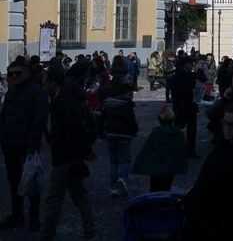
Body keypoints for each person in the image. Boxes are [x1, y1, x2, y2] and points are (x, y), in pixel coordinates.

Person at [183, 103, 233, 240]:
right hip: (211, 217)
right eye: (225, 123)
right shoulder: (224, 144)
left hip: (228, 220)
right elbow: (211, 114)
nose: (227, 129)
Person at [40, 62, 96, 240]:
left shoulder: (63, 101)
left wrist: (81, 151)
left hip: (65, 156)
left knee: (53, 199)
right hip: (71, 156)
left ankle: (47, 235)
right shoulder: (61, 97)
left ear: (53, 82)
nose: (43, 84)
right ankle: (90, 230)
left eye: (46, 81)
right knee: (79, 195)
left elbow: (72, 129)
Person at [100, 56, 139, 197]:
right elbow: (130, 116)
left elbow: (102, 113)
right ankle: (122, 181)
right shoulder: (126, 99)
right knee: (125, 159)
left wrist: (102, 130)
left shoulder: (108, 93)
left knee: (113, 161)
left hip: (110, 130)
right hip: (124, 131)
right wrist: (134, 129)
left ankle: (113, 187)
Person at [132, 105, 187, 192]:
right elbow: (181, 152)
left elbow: (147, 151)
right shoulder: (179, 134)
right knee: (166, 188)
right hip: (170, 167)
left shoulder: (156, 133)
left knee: (154, 189)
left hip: (157, 168)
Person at [169, 56, 199, 158]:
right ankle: (188, 150)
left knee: (180, 128)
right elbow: (190, 89)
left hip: (180, 105)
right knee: (189, 129)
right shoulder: (185, 75)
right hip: (185, 105)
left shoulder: (176, 75)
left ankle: (179, 149)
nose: (192, 65)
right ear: (186, 64)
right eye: (191, 63)